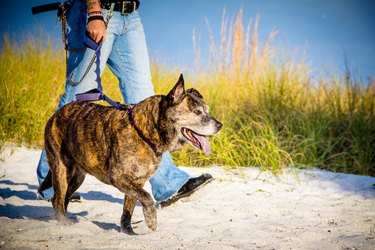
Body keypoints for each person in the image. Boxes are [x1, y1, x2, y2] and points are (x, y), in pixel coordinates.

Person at [36, 0, 213, 206]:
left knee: (150, 105)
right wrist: (94, 11)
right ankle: (52, 185)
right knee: (77, 99)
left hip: (130, 16)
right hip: (96, 11)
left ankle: (169, 184)